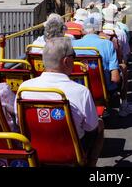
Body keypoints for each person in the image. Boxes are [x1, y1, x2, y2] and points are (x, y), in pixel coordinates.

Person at [16, 38, 103, 166]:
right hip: (71, 154)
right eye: (73, 57)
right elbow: (91, 127)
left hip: (35, 152)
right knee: (100, 125)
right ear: (66, 61)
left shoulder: (24, 88)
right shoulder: (80, 91)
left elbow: (20, 122)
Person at [73, 15, 132, 117]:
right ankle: (124, 106)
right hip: (103, 88)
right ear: (99, 30)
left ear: (83, 31)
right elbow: (115, 78)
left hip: (79, 87)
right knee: (123, 67)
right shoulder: (107, 44)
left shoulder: (73, 44)